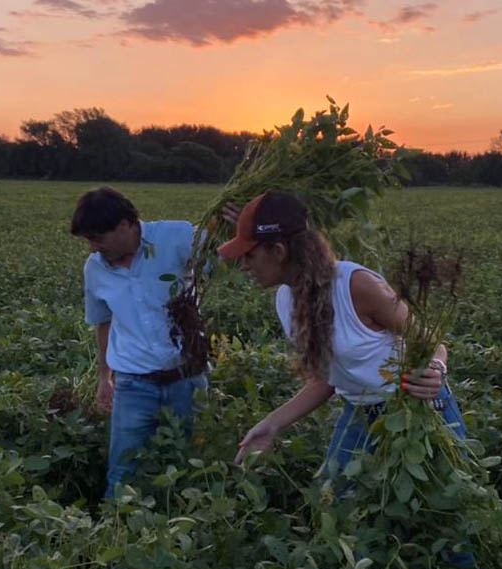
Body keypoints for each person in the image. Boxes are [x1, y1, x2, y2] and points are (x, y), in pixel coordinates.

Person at [218, 192, 469, 482]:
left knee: (450, 496)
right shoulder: (285, 302)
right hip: (361, 412)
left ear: (278, 251)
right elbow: (327, 379)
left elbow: (429, 341)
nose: (244, 265)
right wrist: (272, 424)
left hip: (416, 406)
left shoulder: (356, 285)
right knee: (336, 502)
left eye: (250, 255)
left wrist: (436, 368)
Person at [69, 186, 207, 499]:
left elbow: (226, 258)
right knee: (122, 472)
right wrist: (104, 378)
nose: (92, 247)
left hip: (187, 380)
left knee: (186, 469)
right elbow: (102, 322)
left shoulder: (178, 236)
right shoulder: (95, 268)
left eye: (97, 238)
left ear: (125, 226)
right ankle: (114, 532)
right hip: (133, 385)